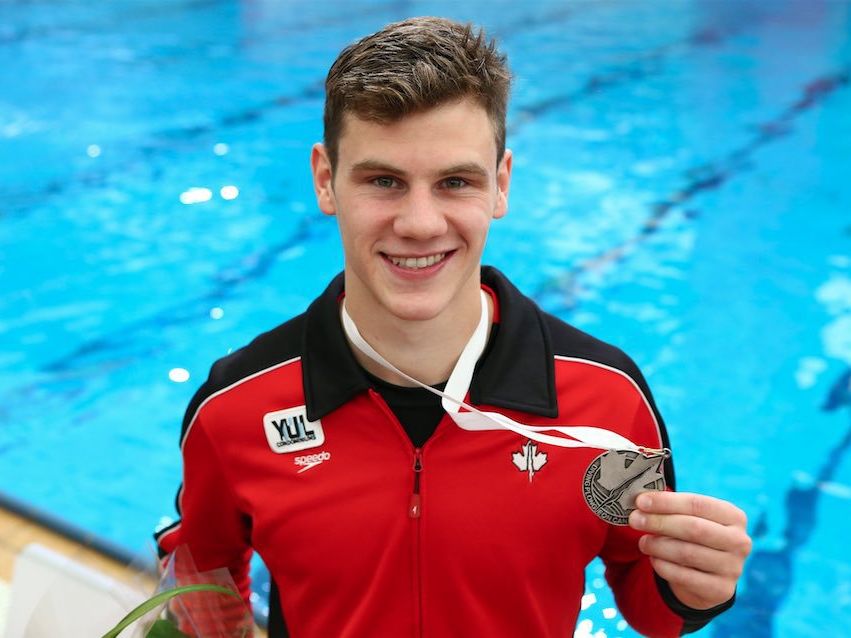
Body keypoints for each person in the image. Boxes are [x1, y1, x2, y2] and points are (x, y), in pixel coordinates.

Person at [155, 16, 752, 638]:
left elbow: (647, 595)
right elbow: (201, 573)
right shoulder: (236, 405)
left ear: (501, 184)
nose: (419, 223)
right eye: (383, 181)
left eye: (455, 182)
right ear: (326, 180)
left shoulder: (607, 400)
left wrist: (693, 588)